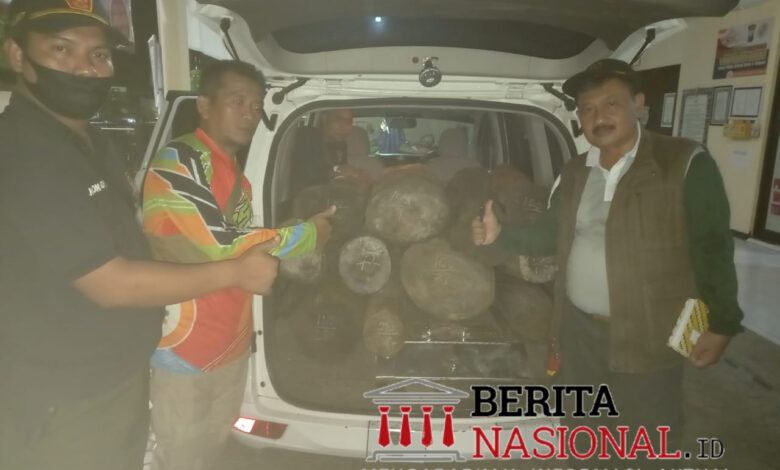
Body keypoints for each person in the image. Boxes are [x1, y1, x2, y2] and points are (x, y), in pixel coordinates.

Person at [0, 2, 284, 470]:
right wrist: (242, 269)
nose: (85, 68)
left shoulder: (87, 143)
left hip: (117, 374)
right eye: (61, 49)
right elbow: (110, 283)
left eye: (98, 55)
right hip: (65, 394)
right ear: (17, 55)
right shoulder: (26, 155)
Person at [472, 59, 743, 467]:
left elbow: (712, 247)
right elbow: (551, 235)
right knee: (584, 431)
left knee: (648, 436)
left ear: (638, 104)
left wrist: (721, 322)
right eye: (587, 108)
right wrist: (501, 235)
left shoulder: (683, 163)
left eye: (611, 103)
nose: (598, 116)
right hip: (579, 331)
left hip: (650, 333)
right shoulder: (575, 172)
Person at [142, 60, 334, 470]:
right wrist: (309, 235)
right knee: (179, 457)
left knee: (212, 452)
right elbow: (224, 246)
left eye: (256, 104)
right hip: (186, 348)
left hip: (231, 342)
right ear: (204, 105)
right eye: (238, 101)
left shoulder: (235, 175)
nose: (250, 113)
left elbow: (250, 251)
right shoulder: (178, 161)